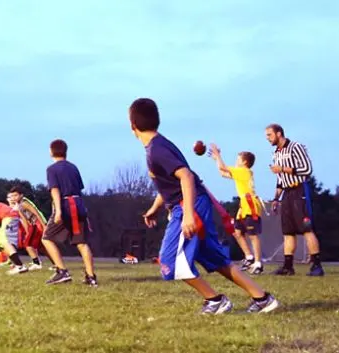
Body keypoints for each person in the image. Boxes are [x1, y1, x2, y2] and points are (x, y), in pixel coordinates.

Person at [130, 98, 278, 314]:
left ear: (132, 124)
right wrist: (155, 208)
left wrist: (188, 215)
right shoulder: (158, 146)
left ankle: (215, 300)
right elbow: (170, 185)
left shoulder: (156, 150)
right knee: (215, 259)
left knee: (170, 260)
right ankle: (263, 299)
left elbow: (186, 178)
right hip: (192, 203)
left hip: (190, 206)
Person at [266, 124, 324, 276]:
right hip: (287, 192)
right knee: (288, 231)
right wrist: (276, 198)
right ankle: (288, 266)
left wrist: (284, 169)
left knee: (306, 228)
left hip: (299, 190)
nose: (268, 138)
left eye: (270, 135)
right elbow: (280, 179)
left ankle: (316, 265)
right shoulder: (276, 153)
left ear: (279, 134)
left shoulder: (295, 147)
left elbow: (307, 169)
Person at [40, 139, 98, 286]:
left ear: (51, 151)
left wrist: (58, 211)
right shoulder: (73, 167)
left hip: (66, 205)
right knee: (82, 243)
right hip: (78, 205)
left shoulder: (52, 169)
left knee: (46, 238)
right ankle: (91, 277)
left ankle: (62, 271)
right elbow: (79, 189)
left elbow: (55, 189)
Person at [208, 144, 266, 274]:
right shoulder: (241, 173)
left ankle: (258, 263)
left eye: (238, 159)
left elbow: (223, 167)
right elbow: (223, 173)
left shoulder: (244, 171)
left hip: (250, 204)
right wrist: (216, 160)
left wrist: (218, 155)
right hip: (243, 205)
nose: (236, 161)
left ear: (245, 162)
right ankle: (249, 257)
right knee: (237, 232)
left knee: (253, 235)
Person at [7, 186, 53, 270]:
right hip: (34, 224)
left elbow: (36, 213)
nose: (14, 198)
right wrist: (27, 230)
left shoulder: (24, 203)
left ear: (21, 195)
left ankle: (37, 263)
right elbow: (24, 219)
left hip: (38, 224)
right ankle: (55, 263)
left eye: (16, 195)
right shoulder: (19, 205)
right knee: (42, 247)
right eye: (12, 196)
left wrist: (44, 225)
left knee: (27, 243)